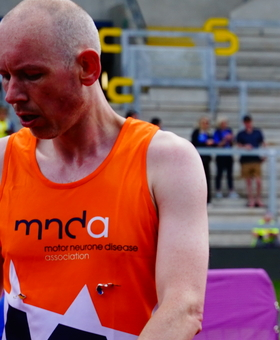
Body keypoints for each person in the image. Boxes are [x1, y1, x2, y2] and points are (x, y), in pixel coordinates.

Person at [0, 0, 208, 337]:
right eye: (5, 76)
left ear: (88, 68)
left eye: (31, 75)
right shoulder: (4, 162)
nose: (11, 95)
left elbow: (183, 307)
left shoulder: (167, 161)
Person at [236, 115, 266, 208]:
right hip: (246, 160)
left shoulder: (257, 132)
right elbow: (238, 145)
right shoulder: (241, 134)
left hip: (256, 159)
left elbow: (263, 143)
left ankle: (258, 198)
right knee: (248, 181)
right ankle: (251, 199)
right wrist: (245, 147)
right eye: (246, 122)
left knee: (258, 181)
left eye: (249, 122)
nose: (248, 124)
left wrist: (264, 154)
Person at [191, 116, 215, 204]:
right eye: (204, 123)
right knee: (197, 179)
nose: (205, 125)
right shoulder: (196, 133)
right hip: (198, 159)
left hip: (206, 159)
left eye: (207, 123)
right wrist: (205, 143)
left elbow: (214, 144)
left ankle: (208, 200)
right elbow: (194, 143)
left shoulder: (209, 134)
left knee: (207, 179)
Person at [215, 116, 236, 198]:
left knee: (229, 173)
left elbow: (233, 143)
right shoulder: (217, 132)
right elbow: (217, 144)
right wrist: (224, 140)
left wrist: (231, 139)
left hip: (228, 155)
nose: (225, 125)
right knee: (219, 173)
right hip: (220, 156)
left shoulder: (229, 131)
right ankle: (218, 190)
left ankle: (231, 190)